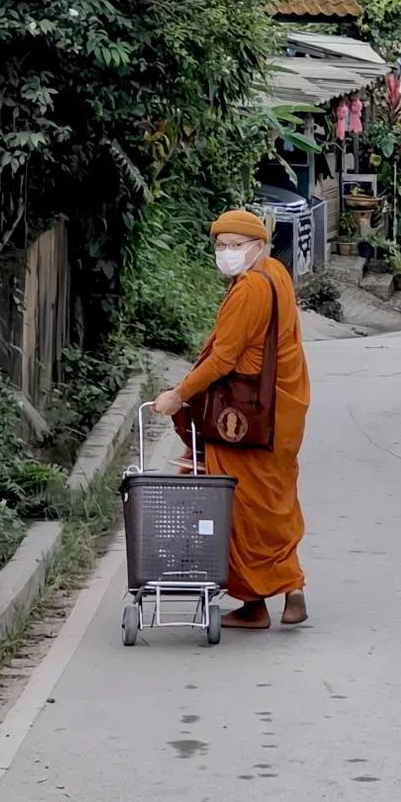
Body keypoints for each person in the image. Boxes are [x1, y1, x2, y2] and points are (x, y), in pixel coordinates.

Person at [152, 210, 310, 631]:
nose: (227, 254)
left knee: (239, 504)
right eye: (220, 247)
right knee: (274, 500)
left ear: (259, 246)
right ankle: (290, 588)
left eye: (236, 246)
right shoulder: (277, 273)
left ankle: (255, 603)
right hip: (283, 409)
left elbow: (224, 358)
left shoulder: (250, 290)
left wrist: (178, 395)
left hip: (247, 414)